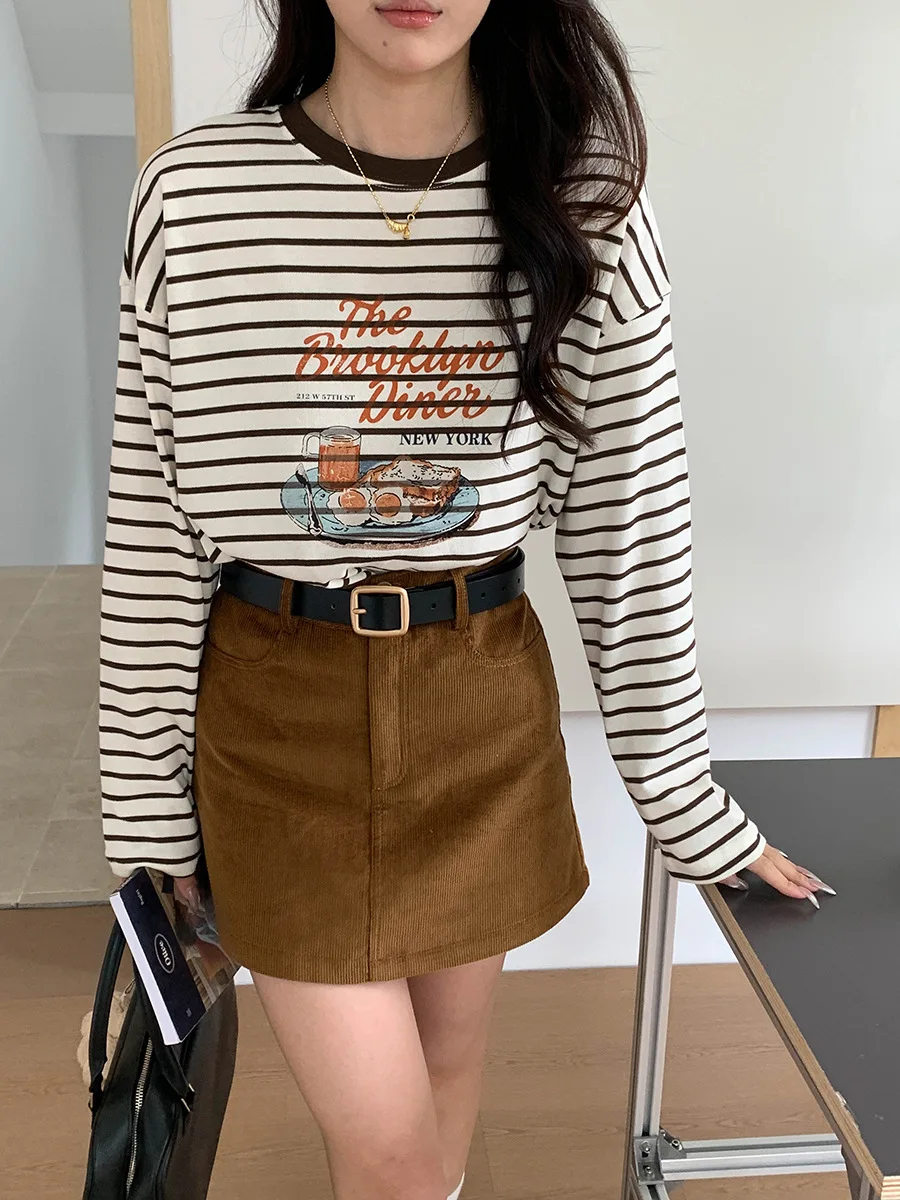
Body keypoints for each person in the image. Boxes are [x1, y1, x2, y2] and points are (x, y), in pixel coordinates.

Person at [99, 1, 832, 1196]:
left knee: (443, 1091)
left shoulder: (584, 206)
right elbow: (153, 524)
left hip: (479, 705)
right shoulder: (194, 198)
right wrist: (145, 816)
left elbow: (630, 526)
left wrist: (683, 797)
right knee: (388, 1150)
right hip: (274, 719)